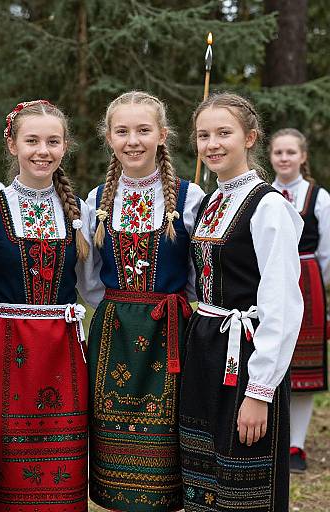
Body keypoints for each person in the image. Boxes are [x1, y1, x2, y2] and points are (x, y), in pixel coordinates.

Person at [179, 93, 303, 512]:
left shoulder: (268, 206)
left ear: (249, 137)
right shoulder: (212, 201)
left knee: (244, 478)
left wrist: (260, 391)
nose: (212, 143)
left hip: (247, 355)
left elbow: (282, 305)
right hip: (206, 347)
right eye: (203, 135)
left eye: (223, 133)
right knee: (204, 475)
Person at [0, 100, 93, 511]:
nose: (43, 150)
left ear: (65, 146)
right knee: (7, 454)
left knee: (65, 461)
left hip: (64, 349)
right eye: (32, 140)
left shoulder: (80, 213)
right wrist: (11, 314)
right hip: (9, 348)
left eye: (53, 141)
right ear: (12, 144)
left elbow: (91, 285)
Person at [86, 90, 204, 512]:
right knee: (114, 446)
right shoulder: (95, 200)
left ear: (162, 135)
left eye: (143, 130)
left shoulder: (189, 198)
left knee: (166, 444)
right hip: (115, 330)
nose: (132, 140)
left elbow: (196, 275)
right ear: (109, 138)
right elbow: (88, 278)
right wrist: (121, 307)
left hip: (170, 331)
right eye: (122, 131)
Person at [270, 128, 330, 473]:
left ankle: (296, 445)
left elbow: (327, 252)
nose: (284, 158)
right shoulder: (265, 195)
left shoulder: (317, 197)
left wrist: (316, 285)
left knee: (304, 367)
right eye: (278, 152)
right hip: (267, 282)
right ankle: (274, 438)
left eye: (291, 152)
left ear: (302, 157)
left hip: (307, 281)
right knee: (270, 356)